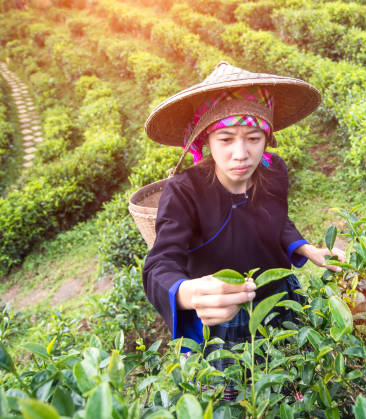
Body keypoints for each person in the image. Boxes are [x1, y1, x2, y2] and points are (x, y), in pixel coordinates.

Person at [141, 62, 345, 398]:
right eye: (226, 139)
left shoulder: (274, 171)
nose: (241, 154)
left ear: (266, 136)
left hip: (279, 298)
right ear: (207, 140)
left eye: (254, 138)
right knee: (235, 398)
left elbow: (277, 221)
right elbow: (159, 263)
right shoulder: (184, 190)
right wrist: (189, 293)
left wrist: (309, 250)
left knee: (293, 384)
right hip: (224, 317)